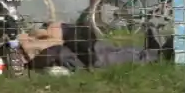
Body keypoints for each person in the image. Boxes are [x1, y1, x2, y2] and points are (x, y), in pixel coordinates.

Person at [14, 20, 172, 73]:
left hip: (88, 48)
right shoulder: (37, 56)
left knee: (117, 50)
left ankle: (154, 51)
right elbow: (50, 54)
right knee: (116, 57)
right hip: (88, 58)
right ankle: (157, 55)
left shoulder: (31, 43)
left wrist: (34, 36)